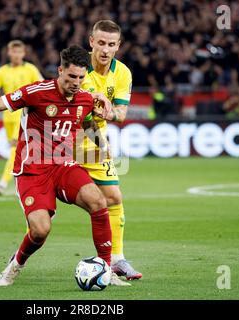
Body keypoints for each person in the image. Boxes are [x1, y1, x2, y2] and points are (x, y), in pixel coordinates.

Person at [0, 45, 128, 287]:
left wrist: (101, 147)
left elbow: (87, 122)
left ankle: (105, 269)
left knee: (99, 201)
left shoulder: (85, 98)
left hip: (64, 166)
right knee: (40, 230)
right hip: (32, 171)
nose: (76, 83)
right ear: (60, 71)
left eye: (81, 78)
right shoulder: (36, 93)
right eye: (71, 77)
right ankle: (16, 263)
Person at [81, 20, 142, 281]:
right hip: (63, 140)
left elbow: (121, 113)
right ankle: (22, 252)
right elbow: (82, 119)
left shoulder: (123, 73)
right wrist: (102, 142)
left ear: (118, 46)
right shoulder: (78, 68)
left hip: (93, 145)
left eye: (111, 44)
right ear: (91, 41)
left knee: (114, 197)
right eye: (101, 43)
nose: (105, 50)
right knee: (45, 212)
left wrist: (109, 112)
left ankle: (117, 260)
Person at [0, 40, 44, 196]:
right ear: (9, 53)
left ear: (23, 53)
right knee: (19, 150)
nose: (16, 55)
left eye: (19, 52)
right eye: (13, 52)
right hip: (8, 116)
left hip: (26, 115)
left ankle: (2, 182)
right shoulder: (1, 71)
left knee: (15, 148)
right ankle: (23, 180)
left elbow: (42, 86)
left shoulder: (31, 69)